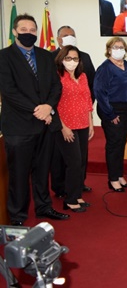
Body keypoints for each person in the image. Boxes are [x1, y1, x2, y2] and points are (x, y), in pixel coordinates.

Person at [0, 13, 69, 225]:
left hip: (45, 125)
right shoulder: (4, 57)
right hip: (19, 127)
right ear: (14, 32)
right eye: (23, 30)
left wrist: (48, 108)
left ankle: (44, 207)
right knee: (19, 174)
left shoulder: (46, 56)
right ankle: (18, 217)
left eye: (32, 30)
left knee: (42, 171)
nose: (28, 33)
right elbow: (9, 91)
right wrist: (37, 110)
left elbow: (56, 87)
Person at [50, 25, 96, 197]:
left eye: (75, 59)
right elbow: (52, 101)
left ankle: (77, 189)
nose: (72, 61)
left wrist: (90, 121)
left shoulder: (83, 70)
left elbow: (88, 95)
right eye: (69, 58)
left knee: (79, 159)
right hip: (63, 123)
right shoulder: (53, 66)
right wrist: (62, 125)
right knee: (63, 159)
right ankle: (62, 190)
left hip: (82, 121)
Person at [94, 37, 127, 192]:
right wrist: (111, 114)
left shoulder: (125, 64)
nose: (119, 49)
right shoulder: (105, 68)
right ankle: (112, 179)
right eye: (115, 46)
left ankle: (119, 175)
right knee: (113, 145)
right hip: (111, 111)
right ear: (109, 49)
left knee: (121, 143)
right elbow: (99, 92)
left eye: (121, 47)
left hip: (126, 110)